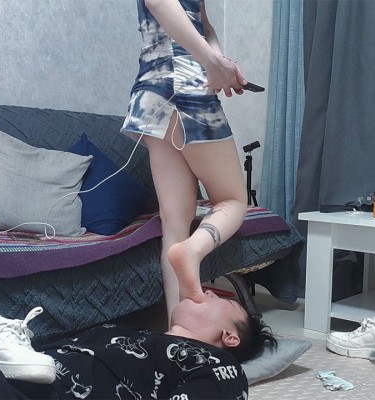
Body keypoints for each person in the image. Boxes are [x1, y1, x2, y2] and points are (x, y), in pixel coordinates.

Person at [0, 282, 276, 399]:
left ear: (229, 336)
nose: (208, 291)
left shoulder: (218, 365)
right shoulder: (130, 334)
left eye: (222, 301)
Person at [120, 0, 251, 318]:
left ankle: (179, 331)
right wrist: (210, 61)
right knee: (233, 201)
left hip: (152, 92)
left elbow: (203, 24)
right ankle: (193, 251)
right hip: (188, 87)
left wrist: (219, 63)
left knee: (175, 225)